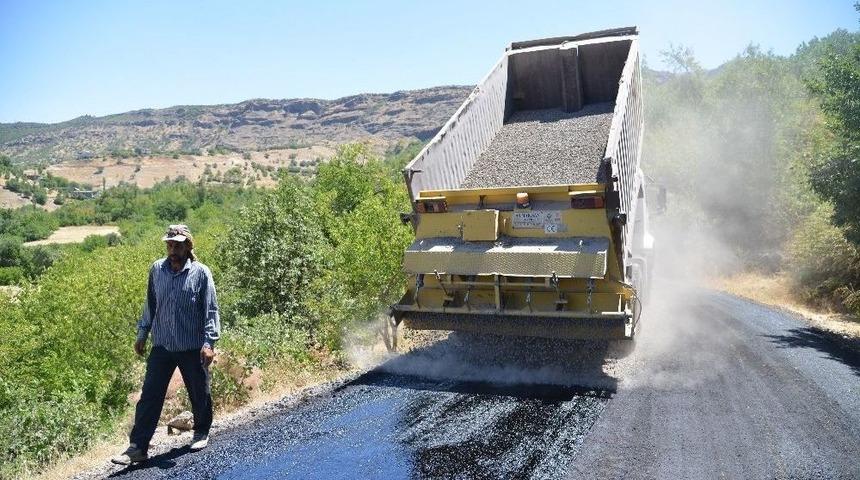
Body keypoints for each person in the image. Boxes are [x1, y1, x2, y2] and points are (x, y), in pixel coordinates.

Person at [112, 224, 221, 465]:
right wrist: (142, 334)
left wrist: (209, 342)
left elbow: (210, 309)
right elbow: (150, 304)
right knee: (150, 395)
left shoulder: (201, 273)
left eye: (178, 245)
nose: (172, 250)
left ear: (188, 246)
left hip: (191, 345)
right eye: (169, 245)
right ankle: (138, 447)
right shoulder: (157, 270)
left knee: (199, 391)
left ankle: (201, 431)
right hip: (161, 345)